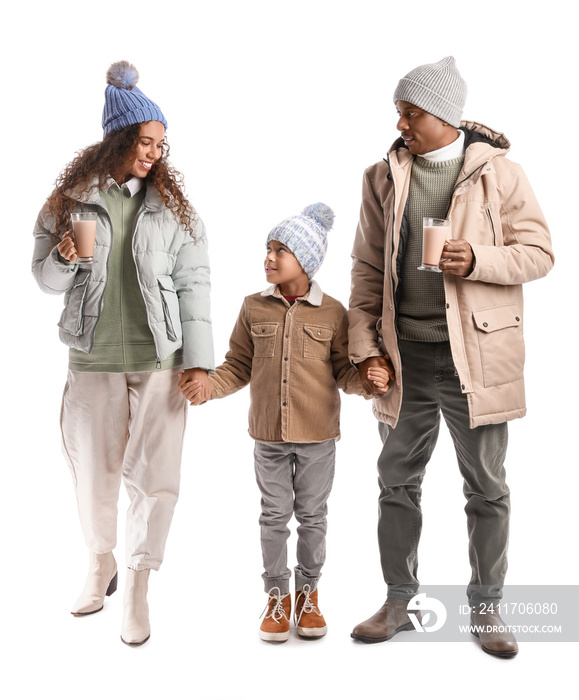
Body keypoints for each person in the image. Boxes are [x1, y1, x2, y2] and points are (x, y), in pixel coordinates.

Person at [348, 57, 554, 658]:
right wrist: (367, 351)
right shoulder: (380, 178)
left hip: (477, 357)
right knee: (394, 481)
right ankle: (399, 602)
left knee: (487, 486)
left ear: (445, 115)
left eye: (411, 112)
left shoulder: (501, 174)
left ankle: (487, 609)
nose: (401, 122)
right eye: (399, 112)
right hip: (404, 357)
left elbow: (540, 252)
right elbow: (365, 270)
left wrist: (479, 260)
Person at [31, 61, 214, 646]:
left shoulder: (177, 210)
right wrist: (62, 255)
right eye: (145, 142)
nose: (154, 154)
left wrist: (199, 361)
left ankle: (137, 585)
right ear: (118, 138)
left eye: (161, 145)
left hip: (161, 360)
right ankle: (100, 563)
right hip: (91, 356)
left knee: (156, 479)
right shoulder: (67, 201)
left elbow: (196, 287)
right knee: (94, 474)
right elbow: (44, 280)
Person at [180, 203, 390, 642]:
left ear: (307, 260)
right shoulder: (253, 307)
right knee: (273, 517)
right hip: (268, 437)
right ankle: (277, 598)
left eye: (281, 250)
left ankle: (308, 596)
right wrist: (208, 388)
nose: (270, 257)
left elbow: (344, 372)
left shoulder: (334, 313)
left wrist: (371, 382)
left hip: (318, 438)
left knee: (313, 517)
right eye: (269, 248)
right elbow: (237, 365)